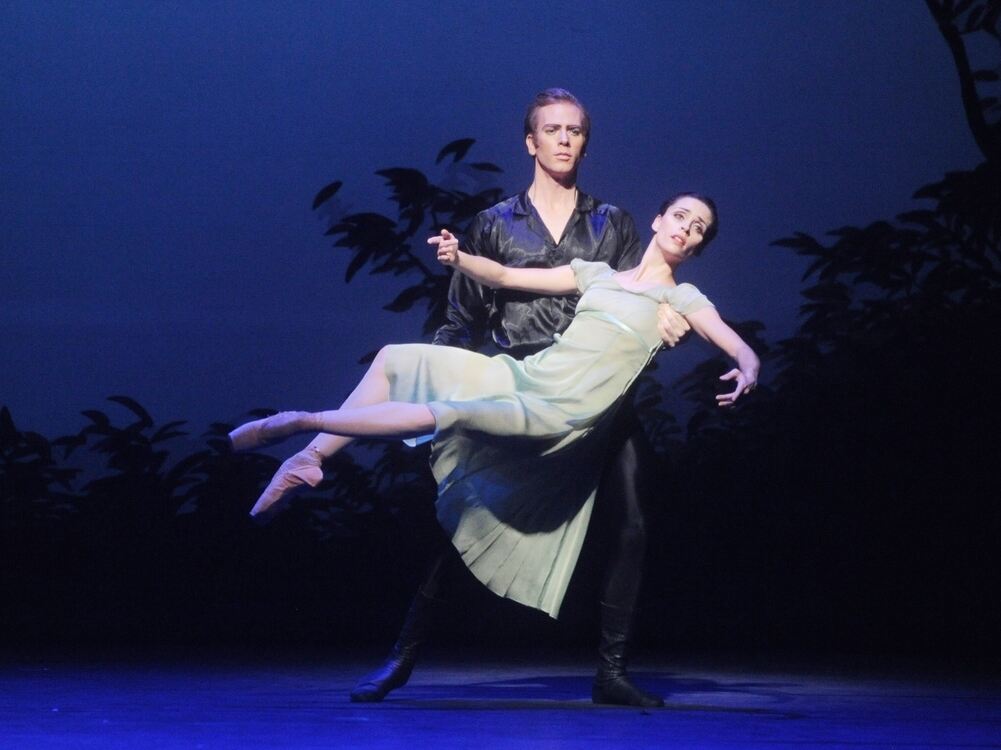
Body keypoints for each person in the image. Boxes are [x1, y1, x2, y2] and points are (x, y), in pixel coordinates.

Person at [231, 192, 760, 704]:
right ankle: (312, 455)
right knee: (395, 358)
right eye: (680, 217)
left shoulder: (681, 300)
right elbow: (506, 277)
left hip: (563, 411)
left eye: (698, 228)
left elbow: (734, 343)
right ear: (658, 219)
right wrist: (459, 257)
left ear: (697, 246)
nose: (686, 229)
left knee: (458, 418)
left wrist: (748, 368)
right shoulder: (597, 274)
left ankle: (303, 419)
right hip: (526, 378)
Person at [345, 88, 691, 708]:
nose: (564, 139)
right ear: (531, 143)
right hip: (520, 388)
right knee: (464, 516)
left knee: (635, 521)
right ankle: (401, 655)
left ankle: (611, 672)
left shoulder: (612, 224)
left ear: (585, 143)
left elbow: (642, 294)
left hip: (597, 398)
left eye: (575, 130)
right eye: (552, 129)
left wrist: (668, 319)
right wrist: (442, 388)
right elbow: (462, 319)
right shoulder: (493, 225)